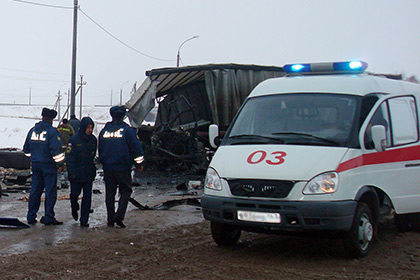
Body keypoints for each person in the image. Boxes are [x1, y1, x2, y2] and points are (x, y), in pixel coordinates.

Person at [98, 106, 144, 228]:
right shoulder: (128, 131)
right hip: (123, 167)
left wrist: (104, 162)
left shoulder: (104, 131)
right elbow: (136, 148)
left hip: (108, 167)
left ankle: (110, 219)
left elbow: (100, 149)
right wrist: (139, 164)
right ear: (123, 116)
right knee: (126, 191)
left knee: (110, 193)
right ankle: (119, 215)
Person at [23, 108, 65, 226]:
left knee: (35, 190)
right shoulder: (52, 132)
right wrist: (60, 164)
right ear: (51, 119)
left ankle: (31, 216)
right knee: (50, 192)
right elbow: (56, 151)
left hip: (36, 165)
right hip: (48, 165)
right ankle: (48, 217)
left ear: (42, 117)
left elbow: (26, 150)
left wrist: (34, 157)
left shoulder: (32, 130)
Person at [66, 117, 97, 227]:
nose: (89, 130)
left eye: (91, 128)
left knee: (87, 197)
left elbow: (93, 155)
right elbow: (69, 158)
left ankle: (84, 220)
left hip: (88, 172)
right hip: (76, 172)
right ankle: (74, 207)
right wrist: (71, 172)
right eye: (88, 128)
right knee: (74, 194)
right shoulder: (74, 140)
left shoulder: (93, 140)